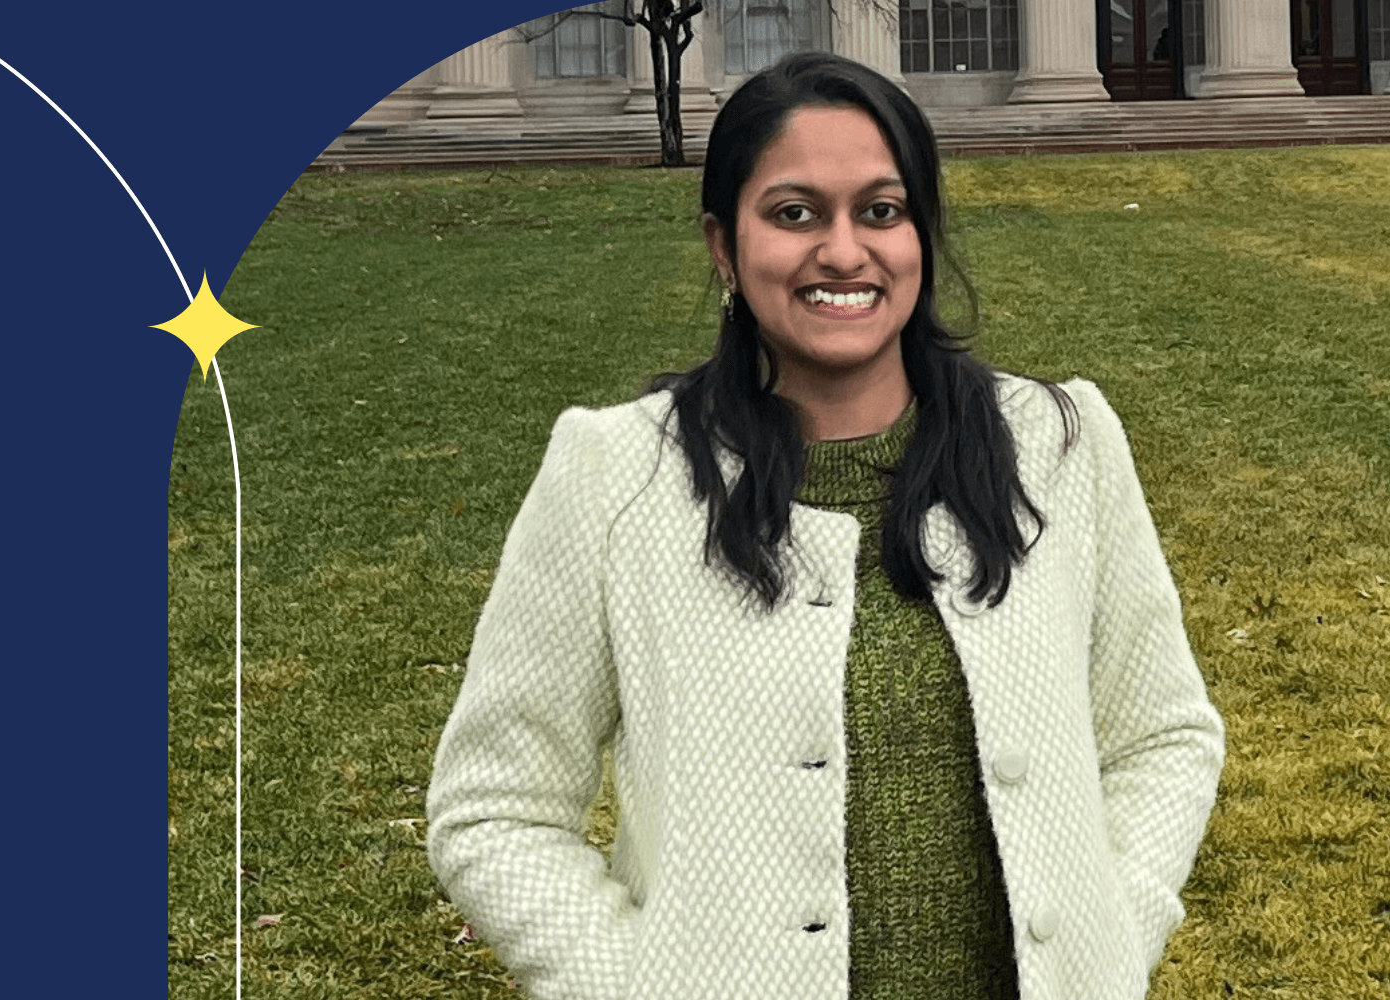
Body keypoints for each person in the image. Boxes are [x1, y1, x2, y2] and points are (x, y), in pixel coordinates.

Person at [425, 52, 1223, 1000]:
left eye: (881, 211)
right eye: (794, 213)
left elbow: (1164, 736)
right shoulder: (615, 474)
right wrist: (641, 983)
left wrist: (1113, 927)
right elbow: (492, 810)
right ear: (725, 246)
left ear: (922, 233)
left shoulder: (1059, 444)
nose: (844, 252)